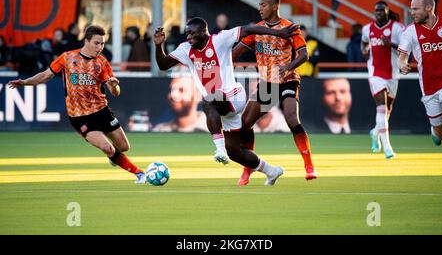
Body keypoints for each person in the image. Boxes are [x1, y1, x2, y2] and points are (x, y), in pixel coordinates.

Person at [153, 17, 299, 185]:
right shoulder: (185, 49)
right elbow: (163, 65)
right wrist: (158, 45)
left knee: (208, 100)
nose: (189, 38)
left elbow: (249, 28)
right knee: (235, 152)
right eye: (187, 34)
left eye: (192, 34)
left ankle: (219, 149)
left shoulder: (220, 39)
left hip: (234, 95)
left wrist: (278, 33)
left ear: (203, 32)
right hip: (219, 107)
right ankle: (271, 171)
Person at [7, 25, 146, 184]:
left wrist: (114, 86)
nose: (99, 47)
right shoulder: (67, 58)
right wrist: (25, 82)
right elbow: (45, 76)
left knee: (124, 147)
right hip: (79, 116)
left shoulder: (102, 62)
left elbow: (115, 92)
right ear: (86, 41)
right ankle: (139, 173)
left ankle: (114, 157)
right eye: (96, 43)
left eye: (102, 44)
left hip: (101, 110)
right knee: (107, 148)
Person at [232, 0, 317, 185]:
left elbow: (304, 55)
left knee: (291, 117)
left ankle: (309, 166)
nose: (259, 8)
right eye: (259, 5)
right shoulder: (257, 30)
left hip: (288, 79)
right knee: (245, 124)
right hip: (267, 83)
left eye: (263, 5)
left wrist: (287, 67)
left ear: (274, 6)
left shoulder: (291, 28)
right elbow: (235, 53)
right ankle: (249, 167)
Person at [398, 0, 442, 146]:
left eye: (415, 9)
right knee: (441, 134)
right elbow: (402, 57)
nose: (412, 12)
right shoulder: (410, 31)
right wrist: (402, 65)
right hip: (429, 88)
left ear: (428, 7)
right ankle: (436, 131)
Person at [361, 1, 404, 159]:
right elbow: (364, 42)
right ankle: (387, 148)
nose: (378, 12)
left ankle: (375, 132)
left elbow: (406, 47)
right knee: (381, 108)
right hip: (375, 73)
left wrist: (391, 44)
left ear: (387, 11)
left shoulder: (397, 28)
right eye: (376, 10)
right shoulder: (367, 28)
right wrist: (364, 51)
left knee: (388, 110)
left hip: (393, 73)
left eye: (381, 10)